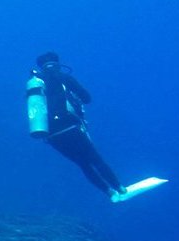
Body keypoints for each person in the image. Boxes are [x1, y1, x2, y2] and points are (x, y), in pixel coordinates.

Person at [26, 52, 131, 201]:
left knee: (83, 164)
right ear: (57, 63)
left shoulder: (35, 83)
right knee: (95, 159)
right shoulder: (63, 77)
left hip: (51, 135)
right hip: (71, 127)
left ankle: (109, 193)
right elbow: (87, 98)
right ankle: (120, 188)